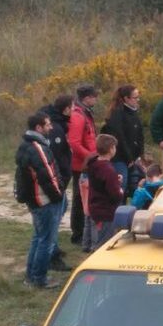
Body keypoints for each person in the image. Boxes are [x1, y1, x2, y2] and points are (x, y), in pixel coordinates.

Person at [15, 113, 64, 290]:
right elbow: (48, 176)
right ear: (38, 128)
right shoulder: (38, 148)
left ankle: (31, 275)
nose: (51, 128)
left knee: (38, 238)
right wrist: (58, 195)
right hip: (44, 201)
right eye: (48, 125)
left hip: (35, 201)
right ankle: (39, 278)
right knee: (46, 241)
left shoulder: (26, 145)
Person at [39, 94, 74, 272]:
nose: (74, 111)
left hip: (58, 180)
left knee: (61, 209)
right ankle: (51, 256)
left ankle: (53, 247)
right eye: (73, 107)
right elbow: (55, 157)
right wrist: (61, 178)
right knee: (51, 219)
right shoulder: (56, 129)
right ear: (66, 109)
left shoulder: (58, 124)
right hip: (55, 182)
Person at [67, 85, 98, 245]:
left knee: (84, 198)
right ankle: (77, 233)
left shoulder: (85, 112)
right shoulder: (78, 116)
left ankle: (82, 232)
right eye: (94, 96)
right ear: (86, 98)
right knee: (80, 199)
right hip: (81, 165)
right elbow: (74, 142)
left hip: (87, 162)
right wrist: (91, 157)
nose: (96, 99)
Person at [103, 84, 144, 197]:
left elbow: (139, 135)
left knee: (133, 187)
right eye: (135, 98)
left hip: (133, 158)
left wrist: (139, 155)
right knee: (120, 188)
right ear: (126, 98)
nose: (137, 100)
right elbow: (119, 137)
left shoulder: (134, 112)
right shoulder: (117, 113)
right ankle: (118, 213)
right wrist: (129, 157)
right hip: (120, 158)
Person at [86, 134, 124, 249]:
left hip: (95, 207)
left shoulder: (94, 164)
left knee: (97, 239)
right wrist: (120, 190)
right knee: (104, 245)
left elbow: (100, 182)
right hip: (105, 212)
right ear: (111, 149)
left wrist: (114, 180)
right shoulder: (108, 169)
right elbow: (115, 194)